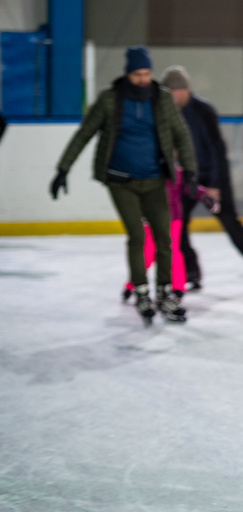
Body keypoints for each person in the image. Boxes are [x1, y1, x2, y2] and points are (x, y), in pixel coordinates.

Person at [50, 45, 194, 325]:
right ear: (128, 73)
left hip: (154, 179)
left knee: (164, 237)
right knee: (138, 237)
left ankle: (165, 292)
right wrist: (62, 169)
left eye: (147, 73)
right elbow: (84, 134)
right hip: (121, 180)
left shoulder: (161, 99)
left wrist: (189, 170)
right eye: (138, 73)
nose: (143, 79)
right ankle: (141, 290)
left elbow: (181, 134)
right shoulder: (109, 100)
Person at [159, 66, 243, 290]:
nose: (170, 97)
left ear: (182, 90)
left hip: (212, 177)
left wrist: (214, 185)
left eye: (172, 92)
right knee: (178, 227)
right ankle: (192, 273)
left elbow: (216, 149)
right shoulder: (165, 113)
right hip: (184, 180)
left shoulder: (203, 111)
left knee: (231, 224)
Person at [121, 166, 218, 306]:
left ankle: (178, 287)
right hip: (150, 219)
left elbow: (189, 186)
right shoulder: (145, 168)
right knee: (147, 255)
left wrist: (204, 196)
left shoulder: (175, 171)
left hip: (173, 219)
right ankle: (132, 285)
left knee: (173, 253)